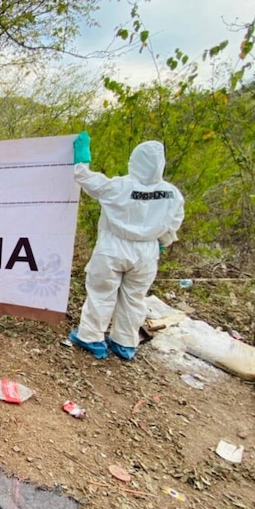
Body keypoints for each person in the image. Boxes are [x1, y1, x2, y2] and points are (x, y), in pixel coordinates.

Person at [69, 132, 185, 360]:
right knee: (134, 298)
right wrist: (161, 243)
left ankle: (91, 336)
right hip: (146, 252)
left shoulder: (119, 186)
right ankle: (124, 343)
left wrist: (81, 155)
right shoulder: (172, 194)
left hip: (113, 247)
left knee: (102, 294)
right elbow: (173, 224)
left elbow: (85, 178)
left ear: (135, 161)